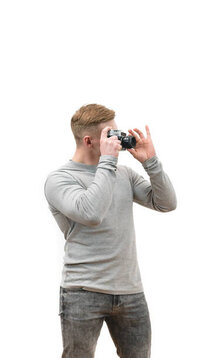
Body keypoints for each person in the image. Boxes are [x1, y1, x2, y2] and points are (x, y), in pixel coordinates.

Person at [44, 104, 177, 358]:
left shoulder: (123, 174)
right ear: (89, 141)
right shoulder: (59, 179)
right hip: (83, 293)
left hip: (130, 292)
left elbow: (166, 203)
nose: (118, 140)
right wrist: (107, 162)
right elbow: (91, 213)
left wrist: (151, 162)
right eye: (111, 135)